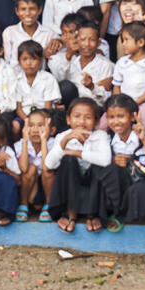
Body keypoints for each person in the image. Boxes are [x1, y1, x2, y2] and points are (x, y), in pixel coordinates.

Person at [98, 94, 145, 238]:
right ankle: (120, 212)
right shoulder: (108, 139)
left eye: (121, 116)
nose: (116, 122)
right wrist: (114, 161)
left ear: (133, 117)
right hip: (126, 186)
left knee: (140, 189)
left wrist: (144, 141)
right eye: (111, 117)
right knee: (110, 172)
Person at [44, 97, 111, 233]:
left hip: (92, 182)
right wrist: (64, 142)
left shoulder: (101, 136)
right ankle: (71, 213)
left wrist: (76, 152)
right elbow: (49, 164)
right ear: (68, 120)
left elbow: (105, 161)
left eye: (88, 117)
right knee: (68, 160)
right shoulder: (63, 136)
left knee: (98, 165)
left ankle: (91, 214)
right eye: (77, 116)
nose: (81, 121)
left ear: (96, 121)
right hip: (71, 183)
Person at [15, 109, 55, 222]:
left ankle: (48, 205)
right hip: (29, 186)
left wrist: (43, 141)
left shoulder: (54, 142)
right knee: (30, 168)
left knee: (48, 171)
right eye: (31, 126)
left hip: (49, 187)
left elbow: (47, 167)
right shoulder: (20, 144)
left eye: (41, 125)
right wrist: (25, 140)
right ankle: (23, 204)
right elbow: (23, 168)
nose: (35, 130)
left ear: (50, 129)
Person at [2, 0, 55, 68]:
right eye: (23, 9)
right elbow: (7, 62)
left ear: (39, 10)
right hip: (15, 78)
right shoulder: (9, 32)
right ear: (17, 11)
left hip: (40, 78)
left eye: (32, 9)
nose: (27, 13)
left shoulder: (49, 34)